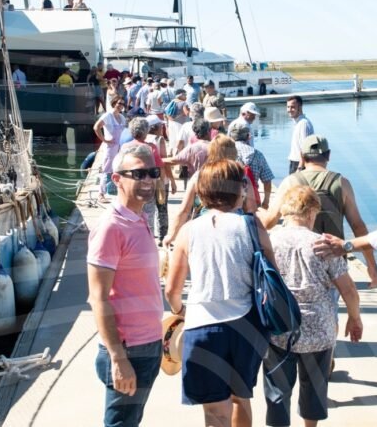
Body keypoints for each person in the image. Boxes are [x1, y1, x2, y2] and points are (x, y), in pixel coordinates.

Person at [165, 160, 274, 427]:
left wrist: (179, 311)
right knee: (241, 398)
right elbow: (273, 275)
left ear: (202, 193)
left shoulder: (189, 231)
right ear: (241, 190)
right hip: (247, 325)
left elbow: (172, 290)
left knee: (215, 410)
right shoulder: (253, 227)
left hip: (203, 326)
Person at [263, 185, 362, 427]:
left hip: (279, 328)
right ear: (310, 213)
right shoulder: (324, 245)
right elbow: (348, 289)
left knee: (277, 393)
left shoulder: (269, 241)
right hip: (319, 330)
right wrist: (354, 317)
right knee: (314, 393)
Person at [88, 145, 164, 427]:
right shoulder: (111, 227)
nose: (147, 181)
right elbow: (98, 298)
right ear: (117, 179)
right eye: (139, 174)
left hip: (148, 343)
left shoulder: (140, 218)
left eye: (152, 173)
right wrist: (118, 358)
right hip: (127, 349)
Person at [260, 134, 377, 287]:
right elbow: (358, 226)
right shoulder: (342, 183)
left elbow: (269, 223)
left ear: (302, 157)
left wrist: (258, 216)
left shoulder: (290, 182)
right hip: (332, 262)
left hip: (294, 264)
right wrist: (371, 266)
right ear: (328, 156)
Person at [163, 134, 258, 247]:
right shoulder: (243, 177)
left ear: (211, 152)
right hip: (236, 230)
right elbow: (251, 209)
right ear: (234, 153)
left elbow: (184, 210)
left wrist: (171, 235)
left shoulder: (200, 176)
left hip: (204, 229)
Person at [228, 121, 274, 209]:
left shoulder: (227, 153)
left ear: (231, 137)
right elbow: (267, 180)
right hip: (253, 199)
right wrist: (266, 201)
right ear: (248, 137)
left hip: (232, 200)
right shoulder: (257, 154)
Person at [145, 114, 176, 242]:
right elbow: (164, 163)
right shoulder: (159, 140)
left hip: (148, 178)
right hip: (160, 179)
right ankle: (162, 236)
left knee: (148, 208)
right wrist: (173, 181)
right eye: (161, 125)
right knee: (162, 208)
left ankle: (149, 235)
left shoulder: (144, 139)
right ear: (156, 127)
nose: (162, 127)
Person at [93, 95, 128, 204]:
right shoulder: (108, 115)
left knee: (119, 170)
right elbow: (96, 127)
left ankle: (120, 192)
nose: (120, 106)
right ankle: (101, 194)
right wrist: (104, 140)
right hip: (110, 147)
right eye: (119, 103)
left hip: (120, 147)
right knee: (106, 170)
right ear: (114, 103)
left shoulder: (122, 117)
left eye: (122, 104)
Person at [286, 95, 314, 174]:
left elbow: (305, 149)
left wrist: (300, 168)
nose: (289, 110)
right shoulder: (298, 123)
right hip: (295, 163)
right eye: (288, 107)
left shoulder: (303, 124)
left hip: (299, 164)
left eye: (292, 107)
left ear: (300, 107)